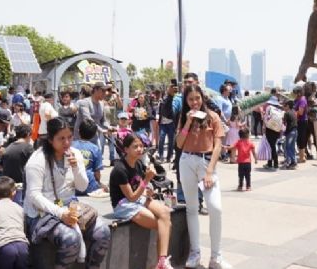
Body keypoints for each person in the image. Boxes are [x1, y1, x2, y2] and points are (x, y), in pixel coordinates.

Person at [24, 118, 110, 269]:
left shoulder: (75, 154)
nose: (67, 143)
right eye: (61, 138)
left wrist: (76, 167)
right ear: (50, 140)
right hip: (42, 213)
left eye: (69, 137)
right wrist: (61, 214)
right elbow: (34, 196)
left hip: (69, 206)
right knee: (70, 239)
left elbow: (82, 187)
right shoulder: (37, 160)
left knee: (103, 231)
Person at [175, 84, 231, 269]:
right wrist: (188, 123)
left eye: (197, 98)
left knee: (215, 208)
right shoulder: (184, 117)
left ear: (202, 98)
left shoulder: (213, 117)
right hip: (187, 161)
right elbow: (180, 143)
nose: (194, 103)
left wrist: (209, 171)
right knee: (191, 208)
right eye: (190, 99)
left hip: (206, 163)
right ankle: (195, 253)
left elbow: (218, 145)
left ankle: (216, 256)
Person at [109, 133, 173, 269]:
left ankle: (162, 261)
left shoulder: (138, 163)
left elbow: (140, 187)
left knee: (165, 214)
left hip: (138, 198)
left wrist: (148, 190)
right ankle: (161, 263)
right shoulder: (119, 170)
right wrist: (146, 180)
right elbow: (131, 196)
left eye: (141, 146)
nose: (139, 149)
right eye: (135, 146)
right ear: (126, 149)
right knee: (161, 224)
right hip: (123, 204)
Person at [75, 83, 114, 164]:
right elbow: (88, 119)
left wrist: (109, 127)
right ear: (95, 90)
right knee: (82, 160)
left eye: (106, 91)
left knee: (97, 154)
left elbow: (103, 121)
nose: (105, 93)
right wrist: (102, 130)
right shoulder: (84, 102)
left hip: (94, 135)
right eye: (102, 90)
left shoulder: (102, 104)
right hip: (81, 136)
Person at [73, 119, 108, 195]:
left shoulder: (71, 145)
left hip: (72, 187)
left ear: (79, 130)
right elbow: (97, 173)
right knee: (106, 188)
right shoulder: (95, 149)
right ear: (94, 134)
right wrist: (98, 183)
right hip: (89, 187)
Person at [157, 82, 178, 163]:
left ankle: (169, 157)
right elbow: (162, 109)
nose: (171, 89)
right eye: (170, 87)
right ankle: (161, 156)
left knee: (171, 140)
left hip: (171, 123)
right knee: (161, 139)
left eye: (172, 88)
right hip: (163, 123)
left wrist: (171, 95)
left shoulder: (174, 98)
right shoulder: (164, 99)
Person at [293, 86, 309, 163]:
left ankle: (302, 157)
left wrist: (292, 113)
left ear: (299, 93)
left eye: (295, 93)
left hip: (302, 121)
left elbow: (301, 112)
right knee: (299, 139)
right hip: (298, 121)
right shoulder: (297, 100)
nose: (294, 95)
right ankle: (303, 155)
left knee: (301, 139)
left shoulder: (302, 100)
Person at [283, 100, 298, 170]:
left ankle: (293, 162)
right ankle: (293, 162)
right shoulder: (294, 112)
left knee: (288, 147)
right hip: (295, 131)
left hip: (290, 132)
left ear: (288, 106)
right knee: (292, 147)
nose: (284, 107)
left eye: (285, 106)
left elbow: (284, 123)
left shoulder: (286, 113)